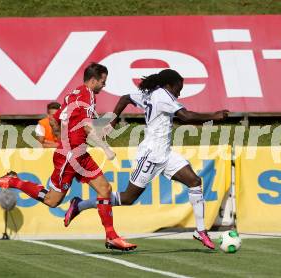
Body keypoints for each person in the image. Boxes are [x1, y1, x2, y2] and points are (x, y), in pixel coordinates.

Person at [64, 69, 228, 250]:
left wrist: (114, 120)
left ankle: (201, 230)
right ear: (170, 84)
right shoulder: (163, 96)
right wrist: (214, 116)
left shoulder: (153, 94)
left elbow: (126, 98)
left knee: (195, 181)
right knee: (127, 198)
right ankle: (80, 204)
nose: (180, 92)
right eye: (179, 88)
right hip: (150, 155)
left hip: (165, 154)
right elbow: (186, 116)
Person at [0, 63, 136, 251]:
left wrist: (61, 136)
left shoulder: (73, 93)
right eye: (103, 82)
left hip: (79, 154)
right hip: (69, 157)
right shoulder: (87, 97)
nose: (104, 86)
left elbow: (54, 118)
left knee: (105, 189)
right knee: (52, 201)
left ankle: (111, 236)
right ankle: (14, 181)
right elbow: (85, 127)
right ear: (93, 80)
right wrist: (105, 148)